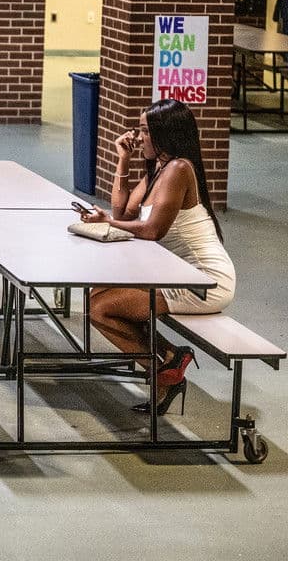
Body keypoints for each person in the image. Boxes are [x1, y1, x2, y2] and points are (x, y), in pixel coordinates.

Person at [77, 99, 235, 414]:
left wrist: (107, 222)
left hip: (204, 281)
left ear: (166, 134)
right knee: (98, 296)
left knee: (100, 309)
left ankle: (162, 373)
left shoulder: (179, 168)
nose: (139, 137)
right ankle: (170, 361)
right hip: (177, 275)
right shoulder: (160, 168)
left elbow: (151, 231)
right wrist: (123, 160)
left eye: (146, 131)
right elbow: (122, 213)